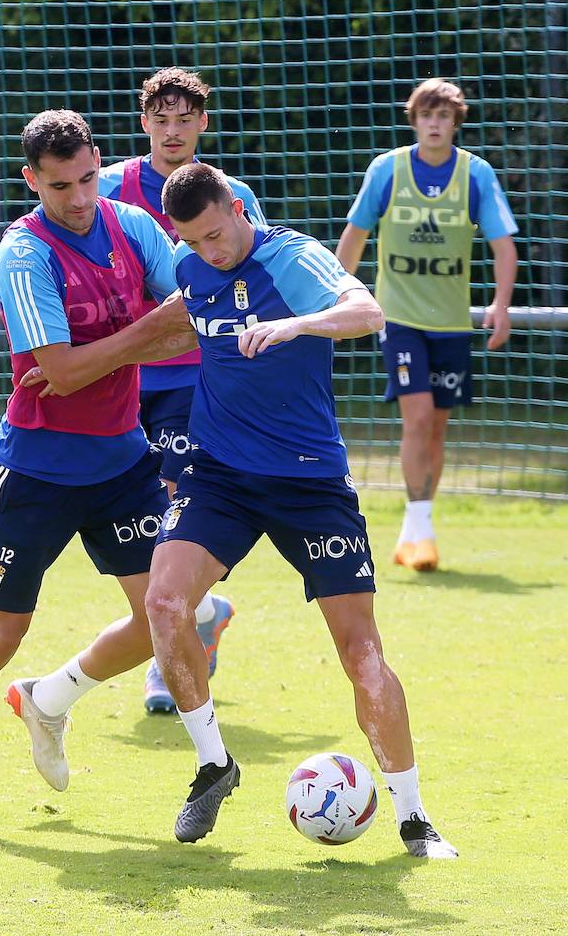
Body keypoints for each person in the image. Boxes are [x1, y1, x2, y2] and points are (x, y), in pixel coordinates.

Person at [0, 110, 198, 831]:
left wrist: (105, 350)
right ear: (32, 181)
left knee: (172, 616)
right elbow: (61, 370)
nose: (80, 197)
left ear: (98, 162)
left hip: (123, 461)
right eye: (61, 186)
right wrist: (143, 332)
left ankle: (49, 699)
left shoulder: (133, 225)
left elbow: (193, 305)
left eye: (87, 177)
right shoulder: (23, 253)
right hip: (38, 470)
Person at [142, 162, 458, 857]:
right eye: (195, 242)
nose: (211, 252)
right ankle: (212, 765)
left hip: (309, 481)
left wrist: (295, 327)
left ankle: (413, 818)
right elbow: (170, 329)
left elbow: (366, 311)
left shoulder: (291, 255)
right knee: (163, 604)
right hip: (220, 474)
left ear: (235, 206)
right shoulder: (189, 265)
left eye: (218, 234)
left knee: (362, 654)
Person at [98, 67, 267, 713]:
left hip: (192, 378)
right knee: (135, 519)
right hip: (116, 377)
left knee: (177, 512)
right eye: (160, 119)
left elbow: (258, 279)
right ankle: (203, 612)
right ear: (145, 124)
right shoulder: (108, 188)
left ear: (202, 123)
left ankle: (164, 664)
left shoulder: (231, 195)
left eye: (184, 119)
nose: (172, 131)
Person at [334, 78, 518, 572]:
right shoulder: (388, 170)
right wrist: (334, 295)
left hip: (452, 324)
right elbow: (355, 234)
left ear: (455, 123)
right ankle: (421, 532)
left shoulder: (475, 175)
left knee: (437, 427)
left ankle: (417, 526)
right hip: (400, 319)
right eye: (427, 115)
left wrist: (500, 306)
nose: (435, 124)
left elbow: (504, 246)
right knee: (416, 419)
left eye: (444, 116)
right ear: (414, 119)